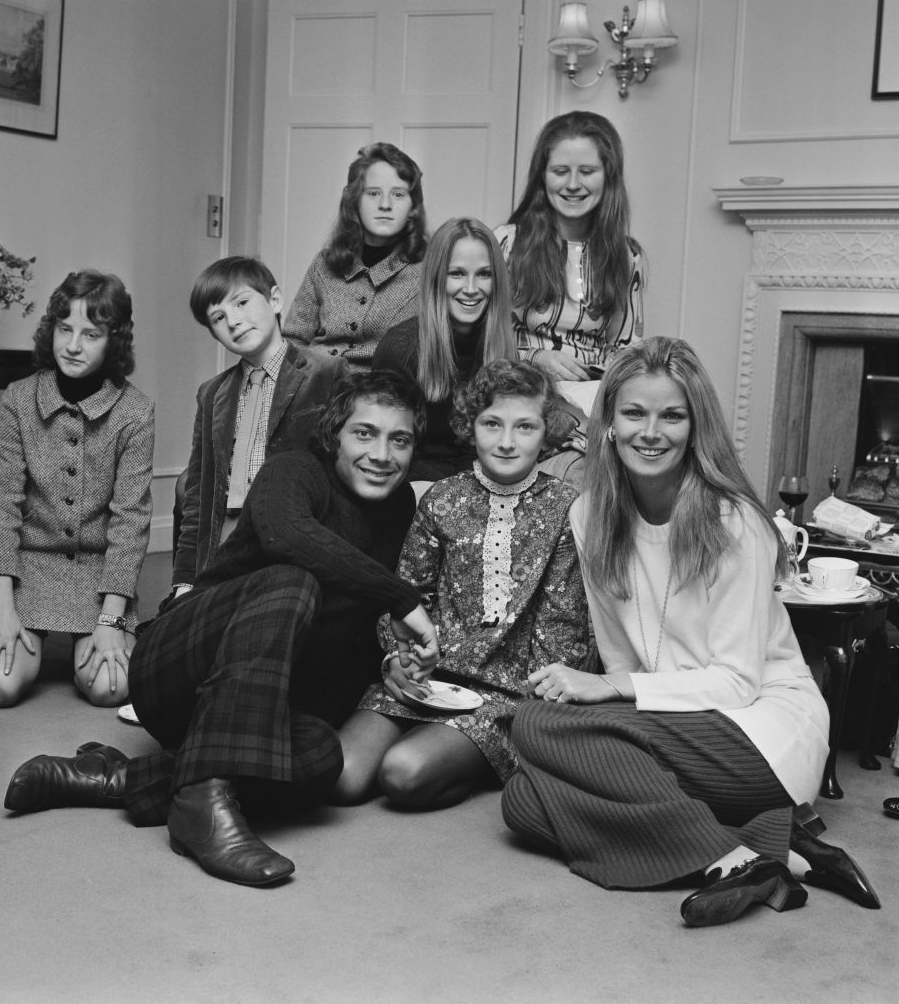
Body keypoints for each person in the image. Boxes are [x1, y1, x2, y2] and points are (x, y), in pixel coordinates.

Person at [2, 372, 439, 888]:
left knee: (323, 756)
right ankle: (205, 815)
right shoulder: (294, 471)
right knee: (293, 582)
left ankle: (121, 778)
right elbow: (287, 535)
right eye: (364, 434)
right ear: (335, 435)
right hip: (178, 665)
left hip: (254, 704)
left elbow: (352, 612)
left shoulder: (398, 508)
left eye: (400, 439)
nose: (382, 454)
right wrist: (400, 596)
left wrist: (385, 662)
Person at [502, 336, 881, 927]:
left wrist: (616, 689)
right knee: (524, 802)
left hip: (761, 728)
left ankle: (727, 853)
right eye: (634, 413)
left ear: (695, 426)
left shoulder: (735, 523)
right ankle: (778, 852)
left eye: (671, 416)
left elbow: (734, 683)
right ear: (608, 424)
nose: (650, 432)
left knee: (536, 723)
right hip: (673, 725)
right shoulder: (591, 515)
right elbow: (619, 651)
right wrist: (622, 692)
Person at [334, 359, 592, 811]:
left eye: (525, 427)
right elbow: (405, 595)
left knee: (402, 774)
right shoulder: (443, 497)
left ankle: (478, 762)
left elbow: (563, 628)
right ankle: (440, 748)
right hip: (428, 678)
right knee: (343, 777)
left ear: (546, 431)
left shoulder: (565, 507)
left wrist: (531, 701)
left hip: (507, 696)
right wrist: (398, 660)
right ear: (470, 427)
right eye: (492, 424)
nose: (507, 442)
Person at [0, 270, 154, 709]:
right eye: (65, 329)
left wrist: (111, 619)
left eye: (91, 334)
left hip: (98, 575)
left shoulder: (135, 412)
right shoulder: (18, 398)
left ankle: (103, 634)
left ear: (114, 341)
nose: (73, 345)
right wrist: (1, 606)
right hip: (27, 569)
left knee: (111, 689)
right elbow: (2, 506)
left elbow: (131, 523)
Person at [171, 256, 346, 587]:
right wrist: (183, 581)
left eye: (242, 303)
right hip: (227, 536)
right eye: (219, 317)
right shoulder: (211, 394)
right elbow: (198, 494)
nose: (234, 321)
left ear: (275, 300)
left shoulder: (326, 373)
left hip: (290, 532)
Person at [495, 111, 643, 425]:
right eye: (560, 171)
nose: (573, 184)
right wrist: (537, 359)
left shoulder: (627, 255)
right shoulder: (507, 243)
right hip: (519, 396)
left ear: (608, 176)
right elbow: (482, 340)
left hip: (594, 404)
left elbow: (624, 349)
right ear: (542, 177)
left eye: (587, 171)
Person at [371, 217, 518, 481]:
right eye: (457, 273)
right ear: (437, 278)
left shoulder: (500, 345)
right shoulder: (400, 349)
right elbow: (388, 450)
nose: (471, 289)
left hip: (480, 480)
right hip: (412, 484)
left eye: (484, 274)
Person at [284, 142, 428, 371]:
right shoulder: (324, 264)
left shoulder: (428, 269)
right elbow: (293, 340)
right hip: (313, 391)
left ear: (413, 208)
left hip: (384, 397)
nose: (385, 205)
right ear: (354, 201)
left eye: (398, 194)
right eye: (373, 193)